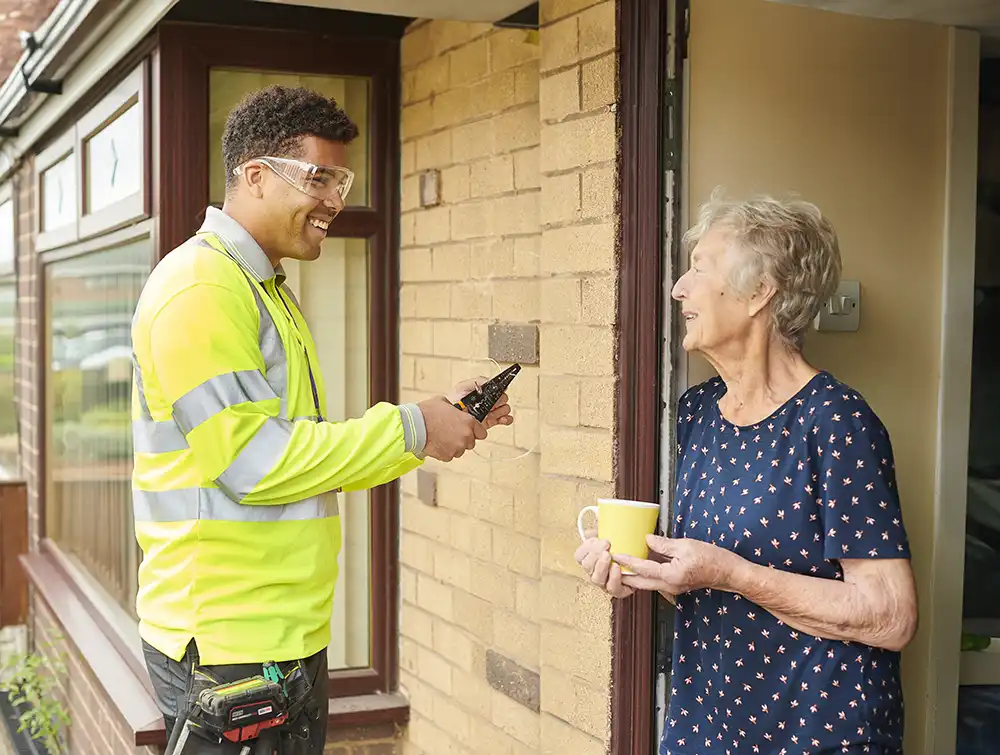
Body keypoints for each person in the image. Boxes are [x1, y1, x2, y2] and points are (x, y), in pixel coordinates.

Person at [131, 85, 512, 754]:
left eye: (343, 178)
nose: (337, 198)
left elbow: (302, 451)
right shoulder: (201, 289)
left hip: (278, 636)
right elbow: (257, 465)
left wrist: (432, 421)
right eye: (320, 177)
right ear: (254, 176)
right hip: (227, 644)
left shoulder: (262, 288)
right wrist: (414, 428)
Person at [576, 193, 918, 755]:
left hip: (816, 733)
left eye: (699, 268)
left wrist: (732, 573)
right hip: (707, 729)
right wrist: (640, 569)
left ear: (761, 291)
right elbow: (704, 577)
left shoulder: (836, 421)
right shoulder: (696, 412)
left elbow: (892, 615)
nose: (678, 288)